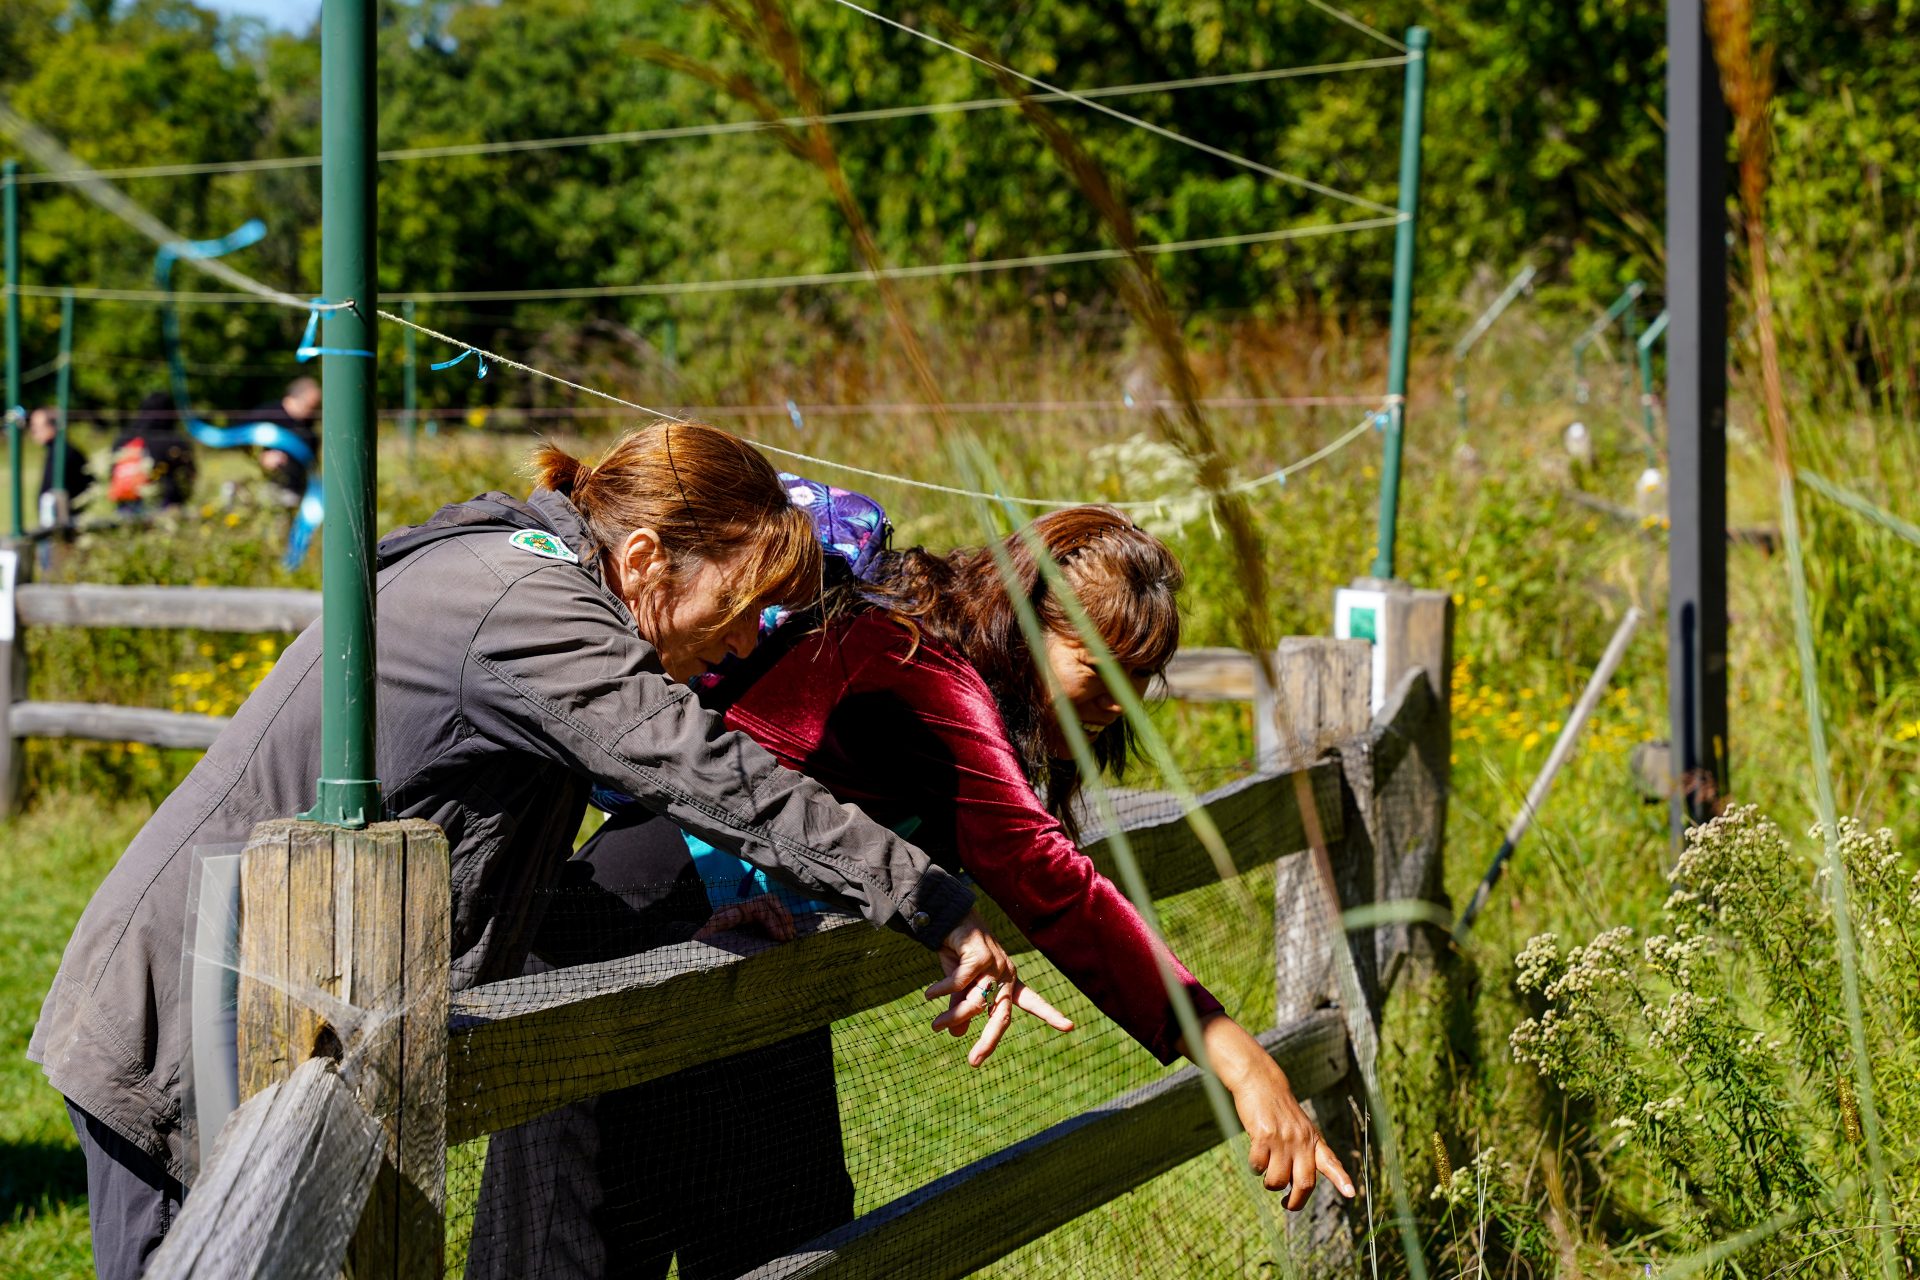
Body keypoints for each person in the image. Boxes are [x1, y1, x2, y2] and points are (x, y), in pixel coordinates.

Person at [29, 423, 1058, 1280]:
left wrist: (696, 899)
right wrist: (932, 901)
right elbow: (696, 762)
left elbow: (584, 814)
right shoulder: (525, 602)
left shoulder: (532, 582)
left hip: (286, 988)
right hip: (192, 1005)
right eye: (735, 608)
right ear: (648, 555)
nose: (745, 642)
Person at [469, 504, 1354, 1280]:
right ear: (1029, 621)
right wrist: (1237, 1055)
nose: (1119, 706)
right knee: (581, 1246)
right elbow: (1043, 869)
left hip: (746, 929)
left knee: (783, 1240)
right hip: (642, 914)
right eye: (1100, 672)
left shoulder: (933, 657)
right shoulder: (925, 669)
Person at [108, 393, 196, 510]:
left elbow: (111, 474)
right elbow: (189, 475)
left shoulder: (121, 440)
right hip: (165, 511)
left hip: (125, 508)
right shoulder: (173, 441)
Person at [245, 376, 321, 504]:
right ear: (293, 399)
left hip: (299, 488)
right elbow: (237, 438)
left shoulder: (308, 423)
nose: (312, 413)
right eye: (310, 406)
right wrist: (262, 456)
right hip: (267, 485)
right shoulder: (267, 414)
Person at [27, 405, 92, 524]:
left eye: (37, 427)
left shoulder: (62, 452)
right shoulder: (56, 450)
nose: (33, 431)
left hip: (63, 520)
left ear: (53, 426)